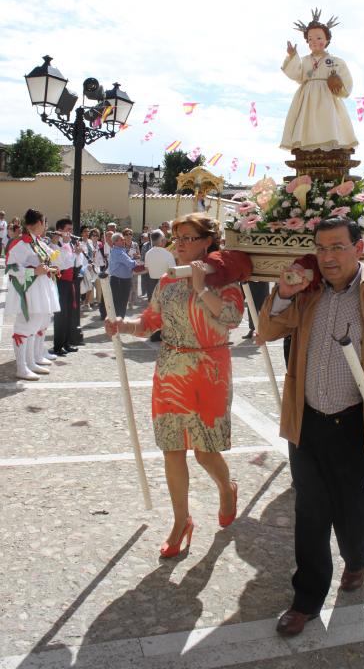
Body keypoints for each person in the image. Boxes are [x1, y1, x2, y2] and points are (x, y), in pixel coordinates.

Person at [257, 216, 364, 637]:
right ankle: (306, 599)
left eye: (337, 247)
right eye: (321, 248)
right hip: (306, 419)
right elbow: (267, 330)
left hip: (355, 421)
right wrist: (283, 294)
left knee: (350, 504)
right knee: (310, 506)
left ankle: (357, 556)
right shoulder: (306, 294)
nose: (328, 257)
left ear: (358, 248)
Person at [104, 213, 244, 558]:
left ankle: (227, 488)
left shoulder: (224, 279)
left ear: (207, 241)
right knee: (172, 448)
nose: (178, 244)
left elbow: (231, 319)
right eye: (176, 237)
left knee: (205, 451)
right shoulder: (166, 282)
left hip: (209, 370)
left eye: (188, 237)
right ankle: (182, 522)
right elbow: (150, 322)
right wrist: (122, 324)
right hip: (170, 373)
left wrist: (200, 288)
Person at [280, 8, 357, 152]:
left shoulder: (336, 61)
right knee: (306, 122)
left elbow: (346, 84)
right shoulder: (304, 61)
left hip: (327, 96)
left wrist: (339, 84)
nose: (314, 42)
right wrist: (292, 56)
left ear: (327, 40)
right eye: (310, 39)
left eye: (319, 38)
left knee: (328, 121)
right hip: (307, 97)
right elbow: (295, 74)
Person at [5, 209, 60, 379]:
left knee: (38, 323)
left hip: (40, 287)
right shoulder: (21, 243)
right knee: (25, 325)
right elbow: (11, 267)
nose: (45, 226)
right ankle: (22, 367)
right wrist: (34, 271)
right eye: (44, 222)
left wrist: (50, 267)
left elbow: (49, 260)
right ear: (37, 224)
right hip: (28, 290)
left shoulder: (36, 242)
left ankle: (31, 361)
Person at [51, 220, 84, 356]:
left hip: (70, 282)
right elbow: (61, 264)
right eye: (68, 229)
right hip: (60, 282)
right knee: (61, 315)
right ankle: (58, 346)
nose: (70, 232)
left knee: (70, 314)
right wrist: (69, 249)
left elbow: (76, 263)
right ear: (60, 230)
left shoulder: (68, 244)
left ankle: (66, 343)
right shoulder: (53, 245)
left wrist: (78, 253)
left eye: (71, 229)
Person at [108, 232, 136, 319]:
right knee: (121, 302)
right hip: (120, 281)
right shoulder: (118, 252)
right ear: (115, 242)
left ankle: (118, 322)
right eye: (121, 239)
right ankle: (119, 322)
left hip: (120, 280)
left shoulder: (119, 250)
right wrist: (139, 263)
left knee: (119, 302)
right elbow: (131, 264)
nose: (124, 240)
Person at [144, 229, 175, 299]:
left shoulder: (148, 253)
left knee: (152, 306)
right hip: (164, 284)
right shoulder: (168, 254)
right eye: (164, 239)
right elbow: (173, 272)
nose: (166, 240)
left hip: (151, 283)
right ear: (162, 241)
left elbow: (147, 269)